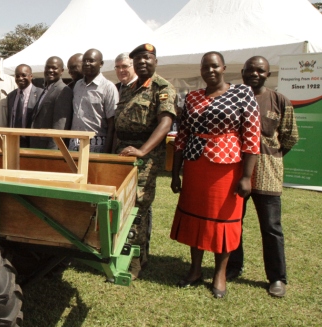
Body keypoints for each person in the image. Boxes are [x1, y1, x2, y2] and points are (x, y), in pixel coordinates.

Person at [170, 51, 261, 298]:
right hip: (195, 166)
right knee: (195, 217)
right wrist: (175, 172)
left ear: (223, 68)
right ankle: (195, 269)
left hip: (227, 168)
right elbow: (182, 136)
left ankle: (220, 273)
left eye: (214, 66)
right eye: (205, 67)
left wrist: (246, 176)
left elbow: (252, 138)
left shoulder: (243, 93)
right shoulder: (192, 97)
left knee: (224, 220)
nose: (210, 71)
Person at [227, 56, 299, 298]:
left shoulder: (279, 100)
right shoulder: (234, 97)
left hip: (268, 173)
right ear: (242, 71)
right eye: (250, 70)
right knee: (234, 221)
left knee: (271, 227)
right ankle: (233, 266)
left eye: (261, 71)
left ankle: (277, 277)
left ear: (268, 74)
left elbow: (290, 137)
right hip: (236, 171)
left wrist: (271, 154)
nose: (255, 74)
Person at [115, 43, 177, 280]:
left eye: (147, 58)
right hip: (124, 152)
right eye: (138, 59)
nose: (142, 62)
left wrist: (142, 151)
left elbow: (165, 123)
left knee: (137, 206)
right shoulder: (130, 88)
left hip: (145, 155)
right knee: (123, 204)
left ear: (155, 61)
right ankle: (123, 252)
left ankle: (135, 262)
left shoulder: (162, 88)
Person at [69, 48, 118, 153]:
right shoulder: (77, 85)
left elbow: (112, 124)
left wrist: (106, 152)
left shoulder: (108, 87)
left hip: (97, 144)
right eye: (84, 61)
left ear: (101, 63)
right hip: (74, 142)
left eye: (91, 61)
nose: (87, 63)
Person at [30, 56, 73, 149]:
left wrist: (53, 151)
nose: (50, 70)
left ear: (61, 71)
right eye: (48, 67)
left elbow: (60, 125)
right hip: (36, 144)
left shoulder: (63, 90)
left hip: (48, 147)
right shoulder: (47, 89)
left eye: (54, 68)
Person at [7, 64, 43, 147]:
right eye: (17, 76)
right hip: (13, 141)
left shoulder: (40, 94)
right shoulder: (11, 96)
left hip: (32, 141)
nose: (20, 78)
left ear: (31, 76)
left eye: (24, 75)